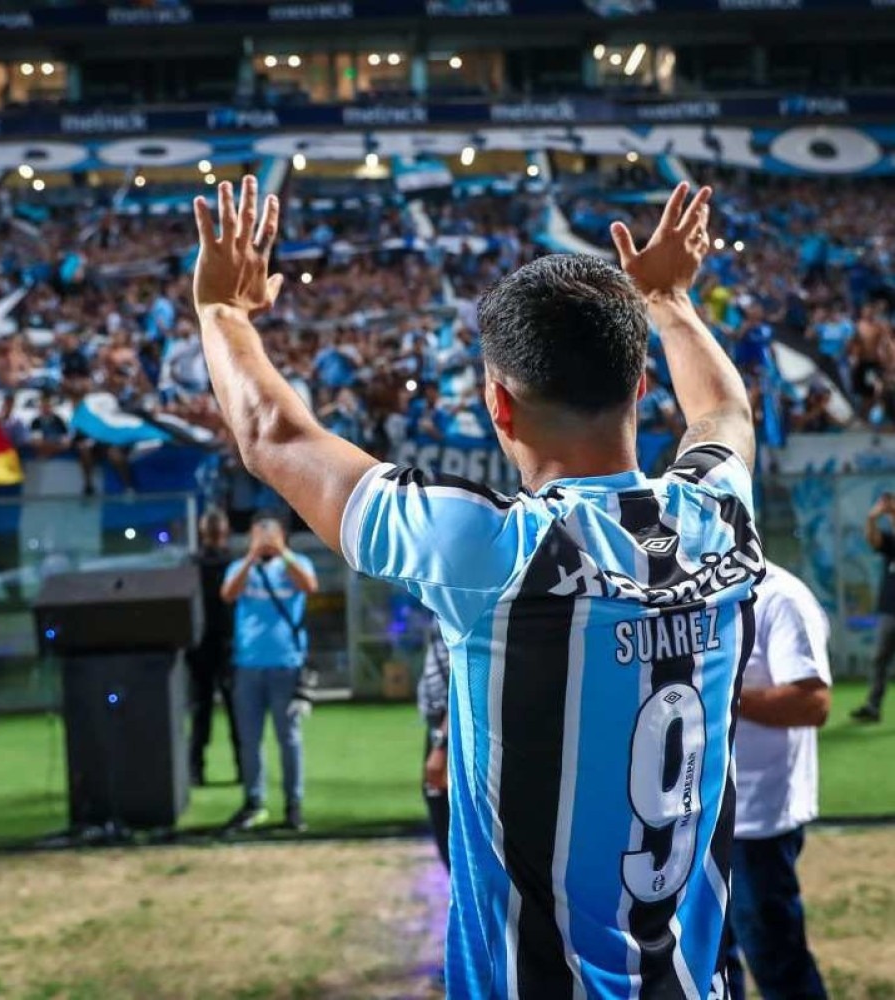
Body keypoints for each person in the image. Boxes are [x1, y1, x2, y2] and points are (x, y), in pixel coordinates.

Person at [194, 177, 762, 995]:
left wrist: (222, 311)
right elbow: (724, 416)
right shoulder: (718, 515)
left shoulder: (493, 549)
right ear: (642, 385)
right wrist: (668, 299)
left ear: (499, 403)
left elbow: (272, 433)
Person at [728, 560, 832, 999]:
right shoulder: (685, 591)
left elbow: (812, 704)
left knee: (775, 957)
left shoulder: (780, 596)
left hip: (758, 818)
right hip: (695, 816)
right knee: (706, 959)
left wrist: (720, 695)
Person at [220, 512, 318, 833]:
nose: (262, 542)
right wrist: (251, 556)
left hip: (286, 666)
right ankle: (253, 802)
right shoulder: (241, 568)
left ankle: (294, 804)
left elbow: (310, 586)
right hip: (247, 667)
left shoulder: (295, 564)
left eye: (269, 536)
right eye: (256, 536)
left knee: (288, 739)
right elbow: (228, 594)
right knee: (249, 740)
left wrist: (282, 552)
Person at [187, 508, 241, 788]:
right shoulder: (233, 564)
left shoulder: (191, 565)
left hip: (199, 646)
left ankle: (195, 770)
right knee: (236, 711)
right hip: (228, 643)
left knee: (201, 711)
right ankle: (244, 768)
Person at [851, 492, 895, 722]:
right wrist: (871, 518)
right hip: (889, 610)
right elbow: (874, 540)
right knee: (880, 658)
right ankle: (873, 706)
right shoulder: (890, 540)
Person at [417, 617, 451, 871]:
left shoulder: (460, 591)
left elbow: (463, 673)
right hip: (441, 722)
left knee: (445, 808)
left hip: (451, 724)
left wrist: (442, 742)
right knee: (438, 801)